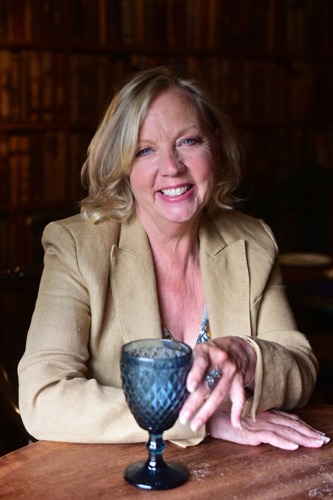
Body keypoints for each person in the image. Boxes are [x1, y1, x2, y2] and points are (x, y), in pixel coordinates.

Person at [18, 66, 329, 450]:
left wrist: (249, 355)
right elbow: (42, 398)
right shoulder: (76, 247)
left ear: (214, 145)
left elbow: (300, 366)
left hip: (233, 472)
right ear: (123, 166)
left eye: (188, 142)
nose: (172, 167)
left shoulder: (252, 241)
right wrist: (200, 420)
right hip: (118, 479)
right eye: (145, 150)